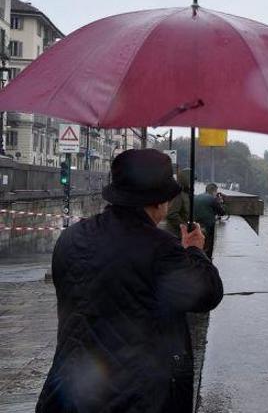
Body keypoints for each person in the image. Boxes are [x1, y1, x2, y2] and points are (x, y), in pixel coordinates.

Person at [36, 149, 224, 412]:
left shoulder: (71, 238)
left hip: (67, 391)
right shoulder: (161, 248)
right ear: (159, 201)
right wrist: (194, 250)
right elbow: (208, 294)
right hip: (135, 397)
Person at [193, 183, 226, 258]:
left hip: (196, 225)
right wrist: (220, 202)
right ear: (214, 191)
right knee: (208, 245)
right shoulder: (212, 199)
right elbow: (222, 212)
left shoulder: (196, 197)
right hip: (208, 225)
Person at [164, 168, 192, 238]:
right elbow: (172, 214)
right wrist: (185, 227)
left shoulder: (186, 194)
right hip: (175, 235)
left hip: (181, 234)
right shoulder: (178, 194)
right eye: (192, 180)